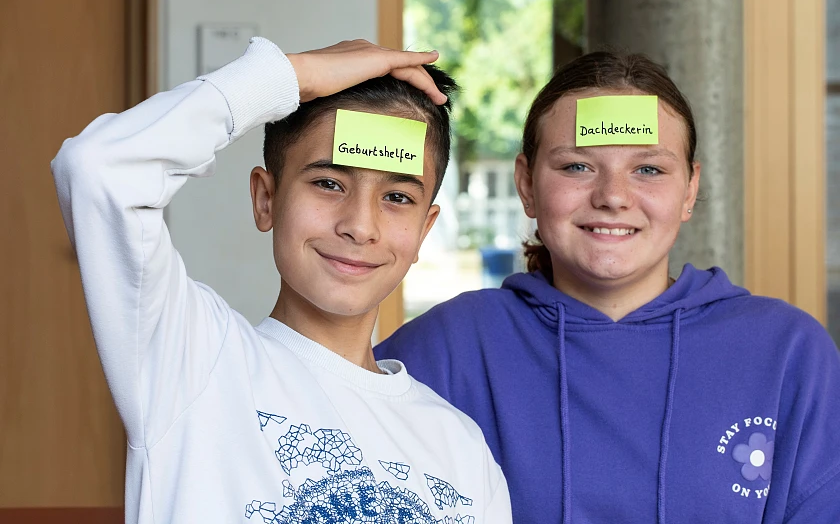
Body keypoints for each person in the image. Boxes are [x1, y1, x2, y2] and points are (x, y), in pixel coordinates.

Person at [51, 37, 511, 524]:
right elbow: (98, 169)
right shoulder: (194, 363)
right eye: (329, 183)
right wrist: (288, 77)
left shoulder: (461, 449)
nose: (360, 225)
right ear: (266, 199)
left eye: (397, 197)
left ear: (424, 229)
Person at [375, 51, 840, 523]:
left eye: (649, 170)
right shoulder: (449, 347)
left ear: (689, 190)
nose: (613, 196)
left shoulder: (787, 352)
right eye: (577, 167)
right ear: (526, 184)